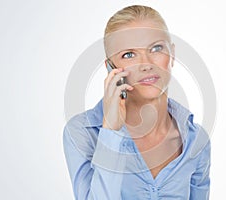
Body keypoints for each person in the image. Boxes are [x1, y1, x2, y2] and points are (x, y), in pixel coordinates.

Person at [63, 5, 211, 200]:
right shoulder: (82, 132)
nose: (146, 64)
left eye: (156, 48)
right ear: (110, 68)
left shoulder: (195, 139)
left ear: (172, 54)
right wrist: (111, 131)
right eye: (129, 55)